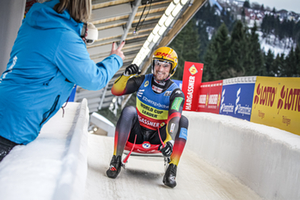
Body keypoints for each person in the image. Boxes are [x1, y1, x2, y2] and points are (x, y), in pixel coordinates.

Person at [0, 0, 125, 162]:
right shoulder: (64, 37)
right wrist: (115, 59)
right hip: (15, 123)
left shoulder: (34, 21)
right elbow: (94, 79)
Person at [106, 46, 188, 188]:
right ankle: (116, 160)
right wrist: (125, 75)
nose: (160, 69)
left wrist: (169, 140)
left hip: (159, 137)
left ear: (172, 68)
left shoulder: (177, 93)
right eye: (157, 64)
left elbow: (175, 116)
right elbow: (115, 91)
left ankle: (172, 168)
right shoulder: (142, 80)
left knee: (183, 120)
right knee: (129, 110)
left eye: (165, 65)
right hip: (137, 134)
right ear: (153, 64)